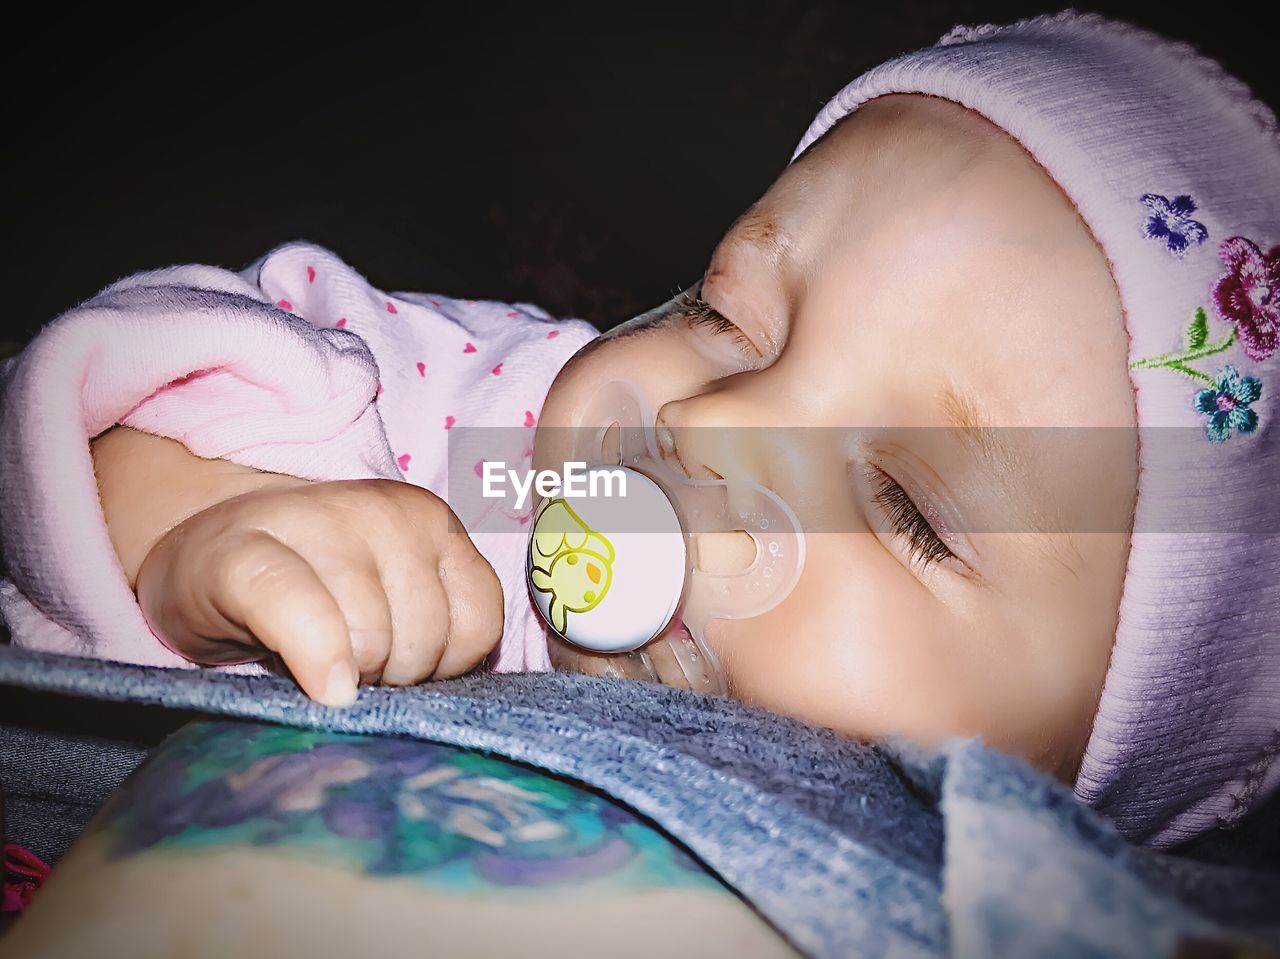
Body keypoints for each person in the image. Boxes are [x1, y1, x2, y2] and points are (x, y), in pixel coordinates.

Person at [1, 17, 1277, 951]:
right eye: (728, 316)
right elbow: (142, 373)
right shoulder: (460, 430)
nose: (715, 427)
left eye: (907, 506)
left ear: (1064, 795)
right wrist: (200, 534)